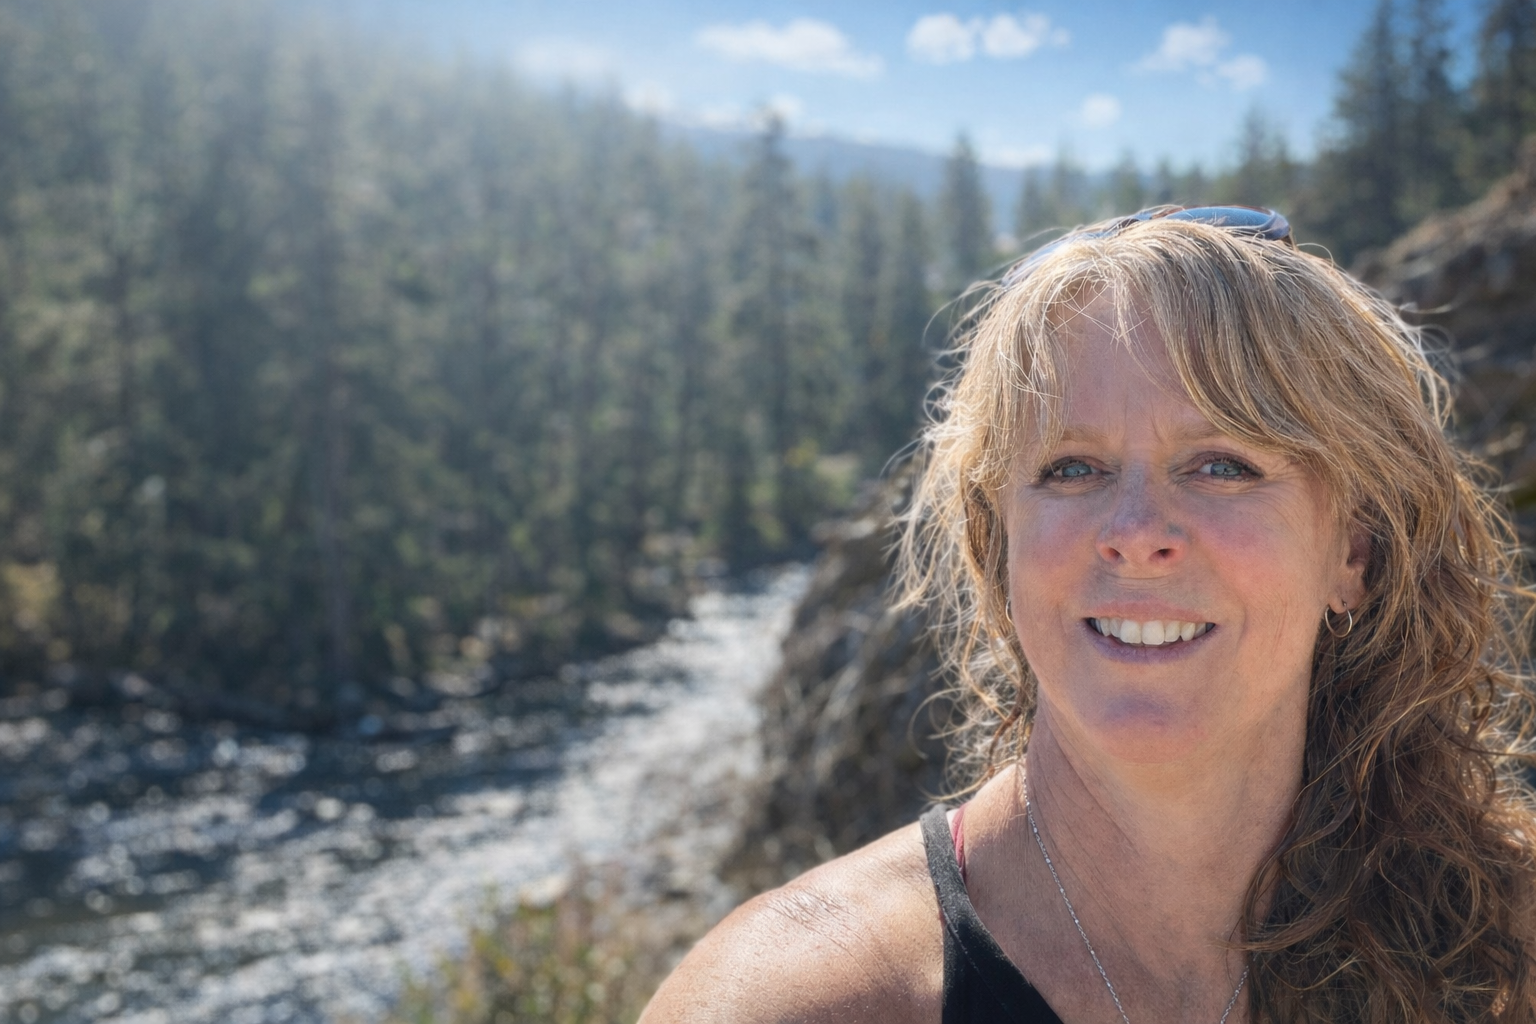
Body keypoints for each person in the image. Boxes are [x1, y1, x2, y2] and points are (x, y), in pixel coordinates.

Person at [639, 208, 1536, 1023]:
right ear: (1001, 546)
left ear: (1353, 555)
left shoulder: (1507, 941)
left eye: (1222, 463)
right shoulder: (802, 1000)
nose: (1137, 534)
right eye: (1073, 468)